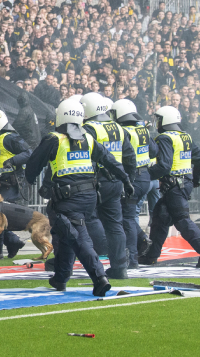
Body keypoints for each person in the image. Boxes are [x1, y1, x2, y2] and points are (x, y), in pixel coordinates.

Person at [24, 97, 127, 295]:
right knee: (64, 234)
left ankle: (99, 277)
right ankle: (61, 278)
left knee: (78, 237)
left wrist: (31, 181)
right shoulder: (87, 138)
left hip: (68, 199)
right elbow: (109, 159)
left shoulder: (54, 139)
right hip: (89, 197)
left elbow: (33, 167)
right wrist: (125, 179)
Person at [138, 106, 200, 268]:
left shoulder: (165, 138)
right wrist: (194, 180)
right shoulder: (185, 137)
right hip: (183, 184)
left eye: (159, 119)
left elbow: (164, 166)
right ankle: (151, 256)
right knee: (160, 218)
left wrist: (145, 175)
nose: (157, 123)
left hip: (173, 186)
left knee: (182, 221)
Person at [80, 93, 134, 279]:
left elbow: (87, 155)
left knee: (84, 220)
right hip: (116, 181)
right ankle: (119, 267)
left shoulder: (88, 128)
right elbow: (129, 156)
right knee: (115, 224)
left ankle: (86, 261)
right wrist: (128, 180)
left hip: (97, 181)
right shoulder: (118, 127)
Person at [111, 98, 155, 269]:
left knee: (126, 218)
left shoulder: (123, 131)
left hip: (133, 177)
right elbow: (154, 151)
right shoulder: (142, 129)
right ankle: (142, 239)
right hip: (145, 176)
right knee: (125, 215)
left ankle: (132, 259)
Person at [0, 108, 31, 257]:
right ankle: (13, 242)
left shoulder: (10, 138)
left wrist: (12, 161)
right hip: (0, 184)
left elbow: (29, 152)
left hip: (10, 183)